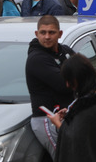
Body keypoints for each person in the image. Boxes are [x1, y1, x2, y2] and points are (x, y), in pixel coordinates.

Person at [48, 53, 96, 162]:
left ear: (80, 77)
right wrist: (71, 114)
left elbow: (75, 139)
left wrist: (58, 123)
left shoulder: (88, 106)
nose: (67, 85)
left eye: (69, 80)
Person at [26, 15, 76, 158]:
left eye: (51, 32)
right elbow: (64, 85)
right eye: (43, 32)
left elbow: (85, 72)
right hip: (47, 119)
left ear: (60, 34)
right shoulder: (37, 58)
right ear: (37, 34)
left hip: (66, 116)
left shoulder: (65, 51)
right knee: (66, 157)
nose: (47, 37)